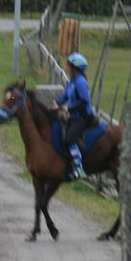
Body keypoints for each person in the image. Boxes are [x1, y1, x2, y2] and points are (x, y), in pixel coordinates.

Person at [53, 52, 97, 181]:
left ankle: (79, 168)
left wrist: (68, 108)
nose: (67, 68)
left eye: (69, 65)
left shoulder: (81, 82)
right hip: (74, 116)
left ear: (75, 68)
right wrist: (56, 103)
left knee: (69, 139)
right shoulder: (72, 82)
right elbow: (64, 97)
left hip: (83, 117)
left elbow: (84, 102)